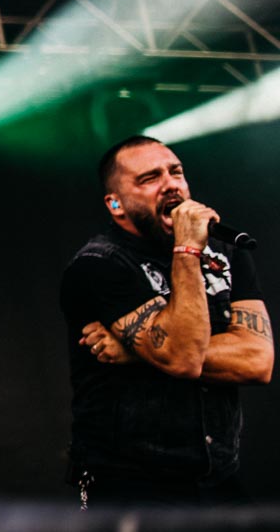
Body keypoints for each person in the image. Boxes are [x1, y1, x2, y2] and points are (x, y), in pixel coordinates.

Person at [61, 135, 272, 505]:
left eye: (176, 172)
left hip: (216, 475)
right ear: (115, 204)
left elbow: (257, 360)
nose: (171, 184)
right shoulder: (99, 265)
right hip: (131, 484)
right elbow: (182, 357)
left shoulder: (225, 252)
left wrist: (136, 352)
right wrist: (187, 250)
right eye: (149, 178)